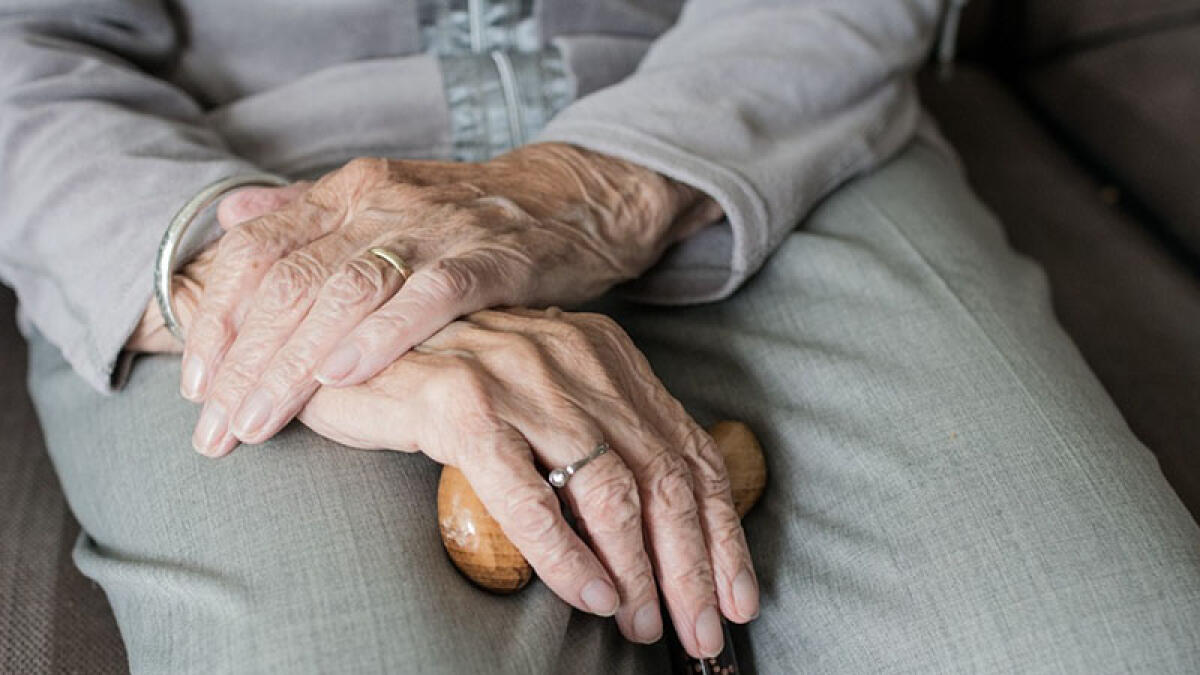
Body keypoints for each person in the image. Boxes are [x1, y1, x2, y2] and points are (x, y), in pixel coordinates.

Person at [3, 1, 1199, 672]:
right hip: (232, 188)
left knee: (1108, 645)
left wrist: (591, 186)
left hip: (755, 129)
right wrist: (264, 284)